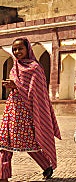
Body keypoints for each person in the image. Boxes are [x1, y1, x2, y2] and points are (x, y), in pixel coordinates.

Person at [0, 38, 61, 181]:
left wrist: (16, 86)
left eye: (20, 48)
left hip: (27, 112)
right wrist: (12, 86)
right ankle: (3, 176)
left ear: (28, 49)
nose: (17, 52)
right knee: (4, 142)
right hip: (11, 109)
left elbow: (38, 91)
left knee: (28, 142)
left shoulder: (35, 68)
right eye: (14, 49)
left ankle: (46, 165)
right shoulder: (15, 67)